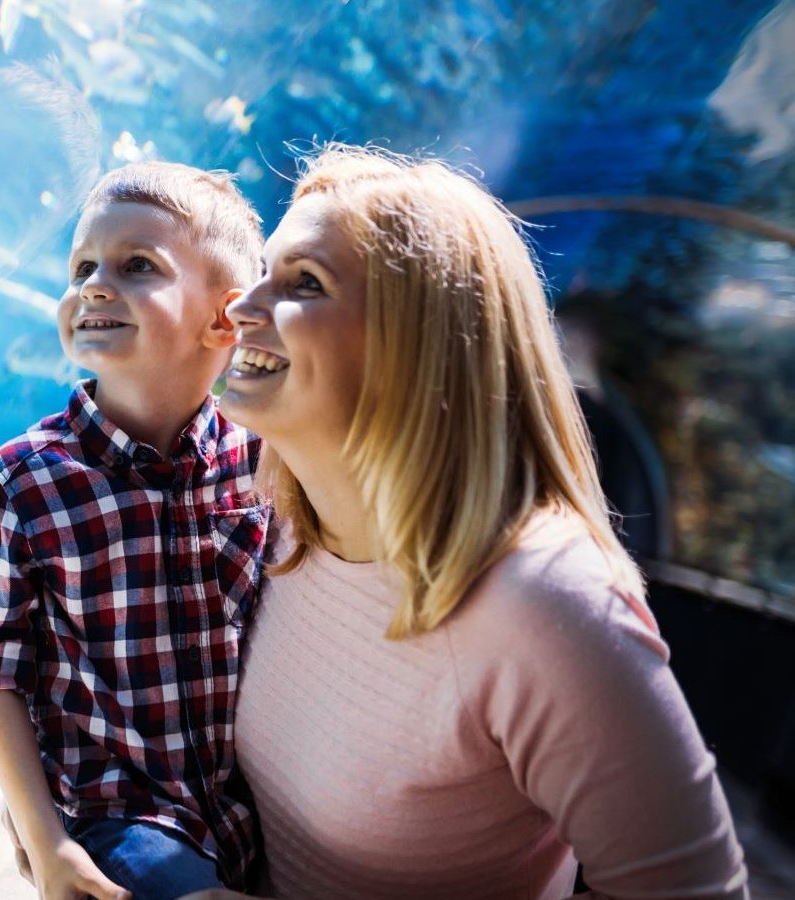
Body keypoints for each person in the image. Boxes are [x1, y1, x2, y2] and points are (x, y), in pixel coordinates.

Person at [193, 144, 746, 898]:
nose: (241, 307)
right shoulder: (273, 523)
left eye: (303, 283)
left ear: (416, 347)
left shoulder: (545, 607)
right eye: (263, 270)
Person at [0, 161, 268, 899]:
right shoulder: (21, 478)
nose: (93, 285)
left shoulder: (263, 460)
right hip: (115, 820)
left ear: (224, 320)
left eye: (135, 266)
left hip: (255, 807)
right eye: (83, 266)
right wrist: (44, 839)